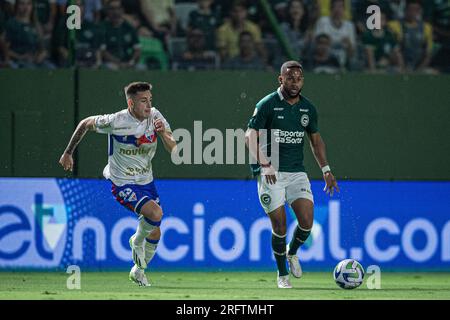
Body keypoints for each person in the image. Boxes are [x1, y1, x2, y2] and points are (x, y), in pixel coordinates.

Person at [59, 82, 177, 287]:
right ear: (131, 103)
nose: (148, 105)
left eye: (150, 100)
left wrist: (163, 134)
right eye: (143, 101)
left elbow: (174, 148)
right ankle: (136, 241)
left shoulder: (155, 116)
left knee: (156, 231)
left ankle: (138, 271)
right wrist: (68, 152)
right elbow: (85, 123)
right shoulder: (116, 120)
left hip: (146, 181)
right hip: (122, 183)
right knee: (156, 214)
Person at [245, 61, 339, 288]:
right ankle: (282, 275)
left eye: (298, 79)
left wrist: (326, 170)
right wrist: (265, 164)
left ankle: (292, 252)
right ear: (281, 79)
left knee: (307, 222)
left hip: (297, 172)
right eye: (290, 78)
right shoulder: (267, 104)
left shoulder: (308, 108)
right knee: (280, 226)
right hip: (271, 173)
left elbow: (316, 141)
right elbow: (249, 136)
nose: (295, 82)